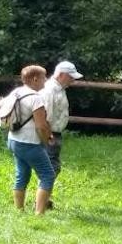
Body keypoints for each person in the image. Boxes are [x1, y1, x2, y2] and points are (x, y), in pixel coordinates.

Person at [6, 65, 55, 215]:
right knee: (48, 175)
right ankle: (39, 213)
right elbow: (41, 126)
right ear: (35, 79)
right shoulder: (35, 98)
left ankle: (19, 210)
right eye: (43, 77)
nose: (45, 80)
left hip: (13, 140)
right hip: (29, 143)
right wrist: (47, 139)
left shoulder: (17, 92)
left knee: (22, 173)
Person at [40, 61, 83, 191]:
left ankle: (44, 199)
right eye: (70, 77)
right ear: (61, 75)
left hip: (54, 132)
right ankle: (42, 202)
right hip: (50, 133)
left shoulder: (59, 89)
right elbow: (45, 115)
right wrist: (49, 136)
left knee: (52, 167)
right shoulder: (49, 90)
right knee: (51, 168)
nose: (73, 80)